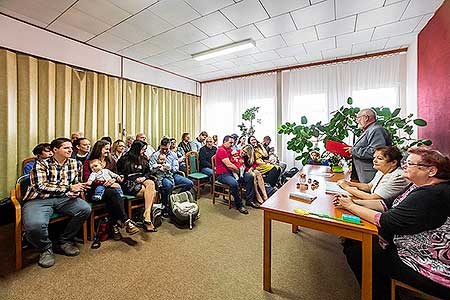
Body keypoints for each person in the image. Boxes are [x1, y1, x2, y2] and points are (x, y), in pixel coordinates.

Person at [333, 147, 450, 300]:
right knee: (356, 246)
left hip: (432, 265)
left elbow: (386, 221)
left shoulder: (432, 195)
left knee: (359, 254)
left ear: (431, 171)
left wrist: (350, 206)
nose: (404, 166)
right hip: (411, 247)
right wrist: (351, 202)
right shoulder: (420, 186)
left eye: (410, 163)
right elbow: (386, 204)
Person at [22, 138, 91, 268]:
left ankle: (64, 241)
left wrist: (76, 190)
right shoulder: (41, 164)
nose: (70, 150)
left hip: (63, 197)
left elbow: (75, 183)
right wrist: (68, 189)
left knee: (84, 209)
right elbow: (40, 186)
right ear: (55, 150)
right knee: (35, 225)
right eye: (66, 148)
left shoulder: (76, 164)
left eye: (71, 147)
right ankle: (45, 248)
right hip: (39, 199)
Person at [84, 140, 140, 239]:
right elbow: (87, 179)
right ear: (99, 149)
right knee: (114, 194)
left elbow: (116, 175)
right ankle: (125, 221)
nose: (108, 150)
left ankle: (114, 226)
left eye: (109, 148)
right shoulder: (89, 162)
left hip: (111, 191)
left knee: (113, 196)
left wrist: (114, 180)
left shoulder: (111, 161)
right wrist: (105, 183)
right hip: (96, 192)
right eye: (106, 148)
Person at [338, 146, 409, 200]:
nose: (374, 161)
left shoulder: (398, 177)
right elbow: (369, 186)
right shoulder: (382, 171)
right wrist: (349, 183)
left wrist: (346, 187)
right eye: (374, 158)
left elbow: (372, 198)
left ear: (393, 162)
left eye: (380, 158)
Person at [117, 140, 157, 232]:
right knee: (152, 193)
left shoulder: (143, 158)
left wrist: (144, 178)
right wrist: (129, 178)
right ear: (136, 149)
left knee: (151, 183)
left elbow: (148, 172)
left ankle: (146, 215)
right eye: (143, 149)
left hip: (142, 180)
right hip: (129, 183)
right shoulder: (124, 159)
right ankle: (147, 219)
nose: (144, 151)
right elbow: (120, 174)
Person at [215, 135, 259, 214]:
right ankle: (239, 205)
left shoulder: (230, 149)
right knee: (234, 183)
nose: (232, 144)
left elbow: (237, 160)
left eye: (233, 142)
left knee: (250, 177)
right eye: (230, 142)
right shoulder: (221, 150)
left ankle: (249, 200)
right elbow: (229, 165)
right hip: (223, 174)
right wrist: (239, 172)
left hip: (232, 172)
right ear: (225, 142)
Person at [345, 109, 392, 183]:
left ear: (366, 118)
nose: (357, 121)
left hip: (371, 174)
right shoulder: (370, 129)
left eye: (358, 118)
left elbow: (376, 152)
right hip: (362, 173)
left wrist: (353, 150)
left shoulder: (376, 130)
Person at [150, 138, 194, 215]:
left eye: (166, 149)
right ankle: (165, 205)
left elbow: (176, 168)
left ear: (169, 146)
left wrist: (170, 168)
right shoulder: (155, 155)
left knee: (189, 183)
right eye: (163, 148)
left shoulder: (173, 155)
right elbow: (151, 169)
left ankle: (175, 198)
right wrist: (158, 168)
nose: (164, 151)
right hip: (161, 176)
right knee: (168, 185)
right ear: (160, 146)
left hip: (173, 174)